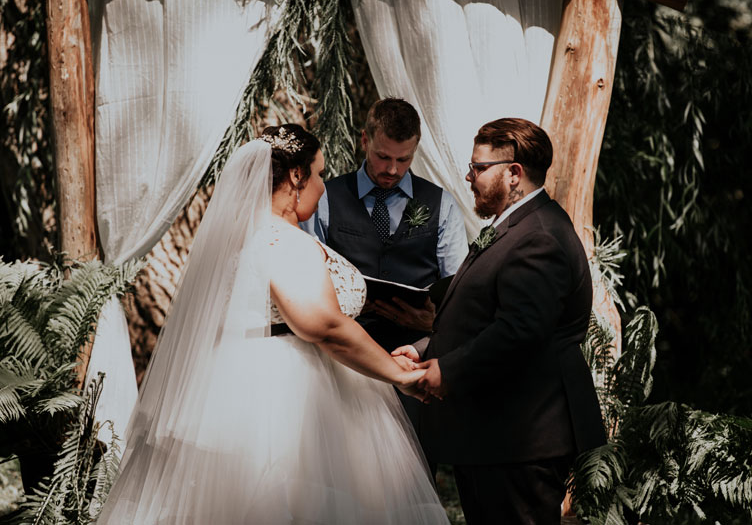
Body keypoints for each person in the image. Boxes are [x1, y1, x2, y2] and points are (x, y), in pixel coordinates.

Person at [97, 125, 450, 524]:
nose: (321, 186)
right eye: (317, 174)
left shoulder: (251, 236)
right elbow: (324, 326)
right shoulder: (278, 240)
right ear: (296, 176)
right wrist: (397, 375)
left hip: (273, 384)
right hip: (284, 400)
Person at [401, 118, 607, 525]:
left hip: (519, 440)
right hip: (493, 436)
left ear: (514, 173)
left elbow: (520, 330)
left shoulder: (540, 236)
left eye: (478, 168)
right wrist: (427, 349)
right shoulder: (516, 228)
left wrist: (448, 369)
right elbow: (483, 315)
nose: (468, 176)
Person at [302, 98, 467, 352]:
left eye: (404, 159)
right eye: (383, 156)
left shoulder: (443, 205)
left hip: (416, 355)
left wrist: (433, 323)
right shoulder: (324, 198)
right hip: (343, 355)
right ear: (365, 140)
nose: (392, 169)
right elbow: (309, 281)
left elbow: (458, 292)